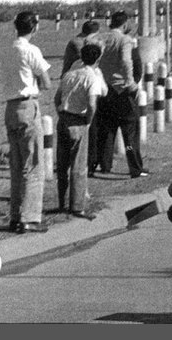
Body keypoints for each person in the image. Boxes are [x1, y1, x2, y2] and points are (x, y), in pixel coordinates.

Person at [0, 11, 52, 233]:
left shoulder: (7, 49)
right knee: (33, 164)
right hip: (28, 105)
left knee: (17, 165)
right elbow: (46, 82)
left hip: (10, 107)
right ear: (34, 27)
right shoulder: (31, 50)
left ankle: (16, 215)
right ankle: (29, 217)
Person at [53, 42, 107, 220]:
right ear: (97, 59)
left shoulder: (69, 75)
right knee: (78, 166)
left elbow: (56, 98)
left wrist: (61, 114)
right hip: (79, 120)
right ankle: (77, 206)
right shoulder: (92, 77)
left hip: (63, 119)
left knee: (62, 165)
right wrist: (88, 121)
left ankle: (62, 202)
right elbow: (92, 104)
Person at [92, 11, 146, 178]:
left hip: (106, 89)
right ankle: (135, 167)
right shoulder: (125, 40)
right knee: (129, 134)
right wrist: (130, 83)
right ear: (125, 24)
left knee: (107, 131)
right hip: (122, 91)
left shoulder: (101, 39)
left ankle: (105, 165)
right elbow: (126, 60)